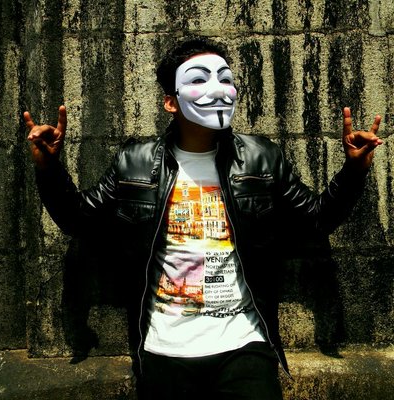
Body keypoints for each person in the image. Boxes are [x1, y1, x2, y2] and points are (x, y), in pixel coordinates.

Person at [24, 37, 382, 399]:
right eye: (198, 79)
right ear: (170, 101)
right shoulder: (134, 161)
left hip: (244, 343)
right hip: (164, 347)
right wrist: (49, 167)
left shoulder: (261, 157)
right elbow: (79, 222)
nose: (219, 89)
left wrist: (353, 171)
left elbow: (315, 221)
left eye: (225, 79)